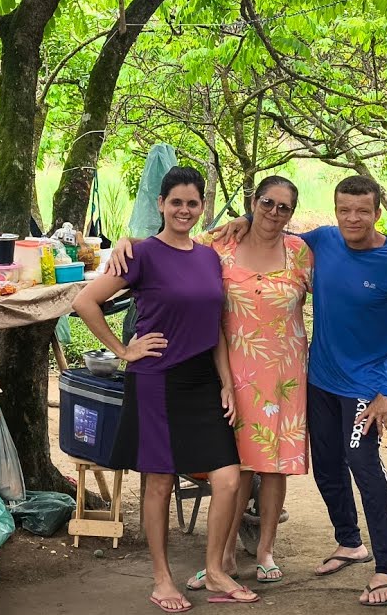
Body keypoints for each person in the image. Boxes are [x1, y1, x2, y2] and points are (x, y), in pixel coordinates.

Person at [219, 174, 387, 607]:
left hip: (366, 383)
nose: (352, 218)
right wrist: (241, 219)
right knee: (326, 464)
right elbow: (272, 231)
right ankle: (349, 541)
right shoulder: (322, 242)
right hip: (319, 378)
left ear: (377, 212)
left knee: (361, 461)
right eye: (344, 210)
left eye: (362, 211)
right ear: (335, 211)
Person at [107, 175, 313, 588]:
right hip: (229, 366)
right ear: (253, 201)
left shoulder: (300, 251)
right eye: (266, 203)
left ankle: (265, 549)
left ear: (292, 213)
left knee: (273, 465)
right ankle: (223, 558)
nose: (274, 212)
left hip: (284, 369)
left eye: (283, 207)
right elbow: (171, 244)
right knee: (235, 463)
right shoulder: (221, 243)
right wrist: (125, 242)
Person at [72, 166, 257, 613]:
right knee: (158, 481)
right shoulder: (141, 254)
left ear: (200, 208)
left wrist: (227, 382)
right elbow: (84, 302)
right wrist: (123, 349)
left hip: (201, 380)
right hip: (156, 378)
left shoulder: (208, 256)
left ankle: (215, 569)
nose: (184, 210)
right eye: (176, 202)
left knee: (229, 478)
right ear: (160, 204)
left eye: (192, 203)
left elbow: (215, 325)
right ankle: (161, 578)